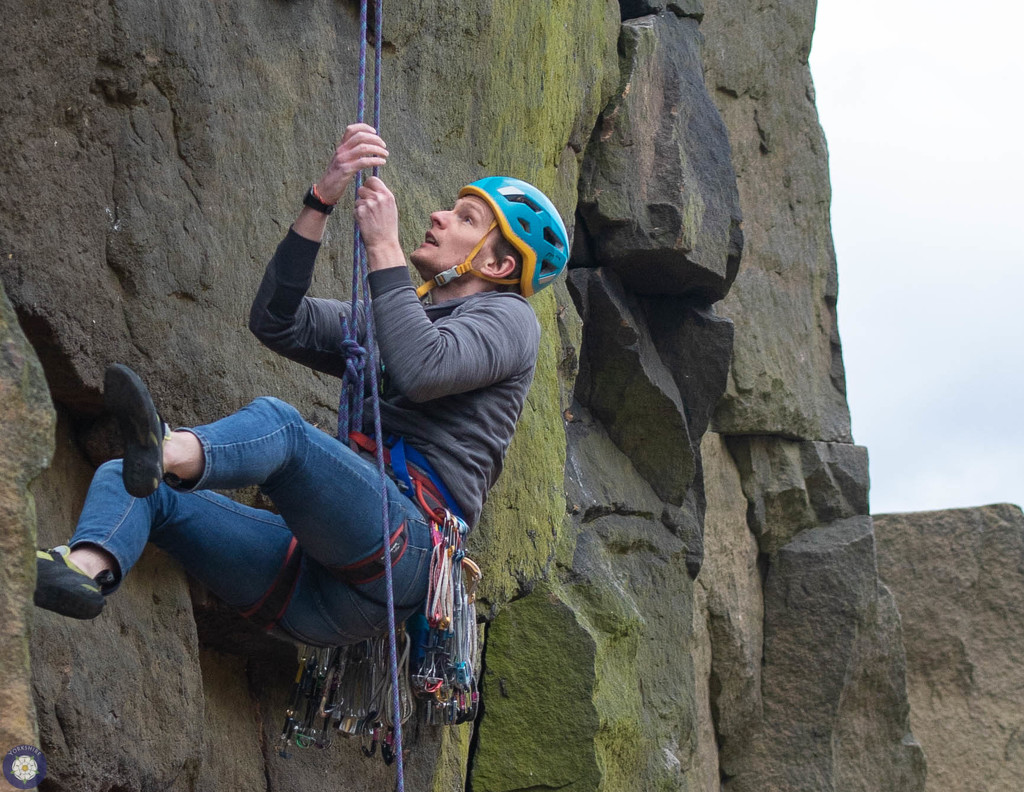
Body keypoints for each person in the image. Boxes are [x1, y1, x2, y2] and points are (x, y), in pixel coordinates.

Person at [33, 124, 569, 647]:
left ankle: (169, 449)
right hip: (316, 589)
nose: (438, 215)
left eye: (465, 218)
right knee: (131, 481)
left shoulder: (511, 319)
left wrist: (383, 246)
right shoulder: (399, 319)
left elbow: (423, 369)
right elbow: (276, 320)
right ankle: (84, 570)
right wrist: (321, 199)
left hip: (406, 549)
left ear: (498, 263)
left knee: (280, 429)